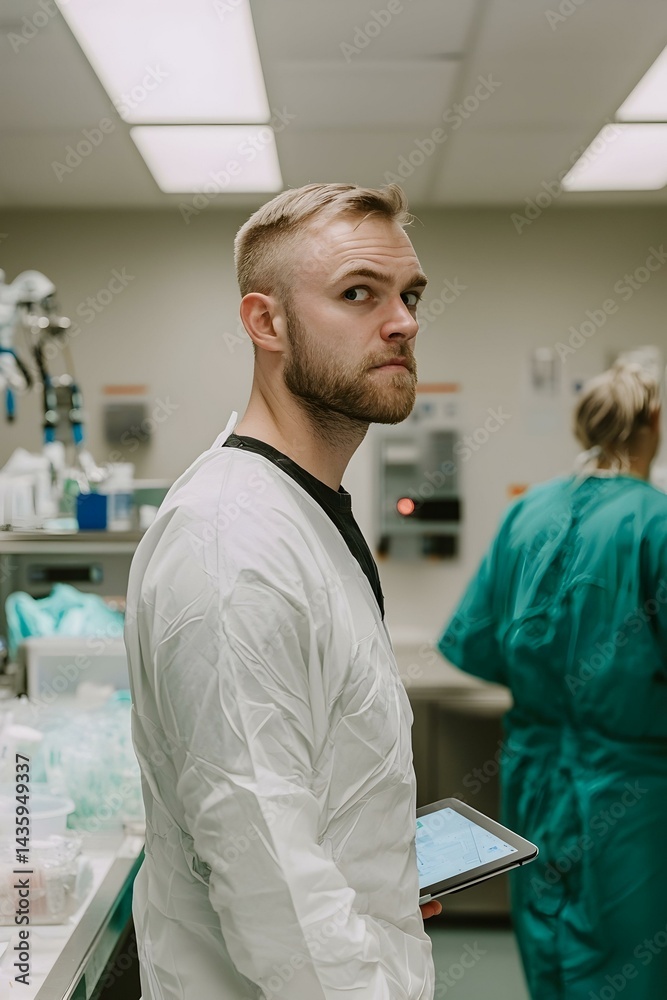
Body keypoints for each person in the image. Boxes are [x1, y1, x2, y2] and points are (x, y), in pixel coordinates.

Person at [124, 183, 440, 1000]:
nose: (401, 321)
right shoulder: (234, 544)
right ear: (266, 323)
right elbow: (276, 898)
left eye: (408, 296)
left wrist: (381, 878)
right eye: (357, 294)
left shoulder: (301, 510)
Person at [437, 361, 667, 999]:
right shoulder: (656, 522)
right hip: (632, 792)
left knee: (551, 956)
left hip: (534, 784)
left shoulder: (526, 515)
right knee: (629, 965)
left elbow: (477, 645)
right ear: (654, 422)